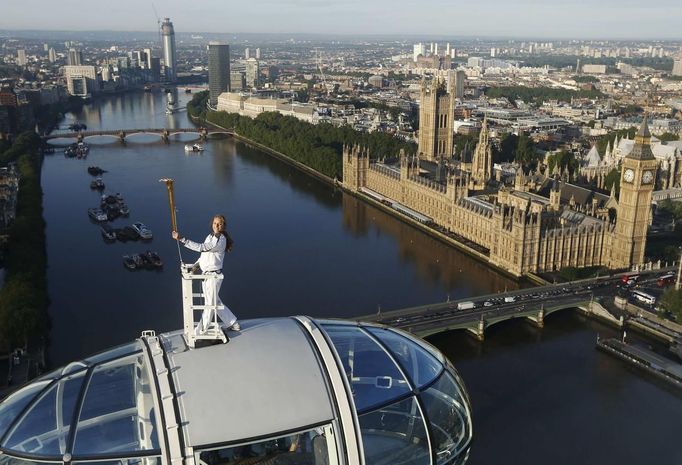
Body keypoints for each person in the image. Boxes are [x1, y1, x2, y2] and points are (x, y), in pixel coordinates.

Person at [172, 214, 240, 334]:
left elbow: (202, 248)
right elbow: (205, 255)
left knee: (210, 304)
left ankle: (200, 331)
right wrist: (195, 266)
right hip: (208, 275)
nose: (216, 226)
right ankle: (233, 323)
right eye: (215, 223)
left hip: (213, 277)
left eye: (219, 224)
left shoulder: (219, 239)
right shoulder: (211, 236)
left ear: (223, 226)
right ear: (212, 224)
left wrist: (182, 239)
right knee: (215, 301)